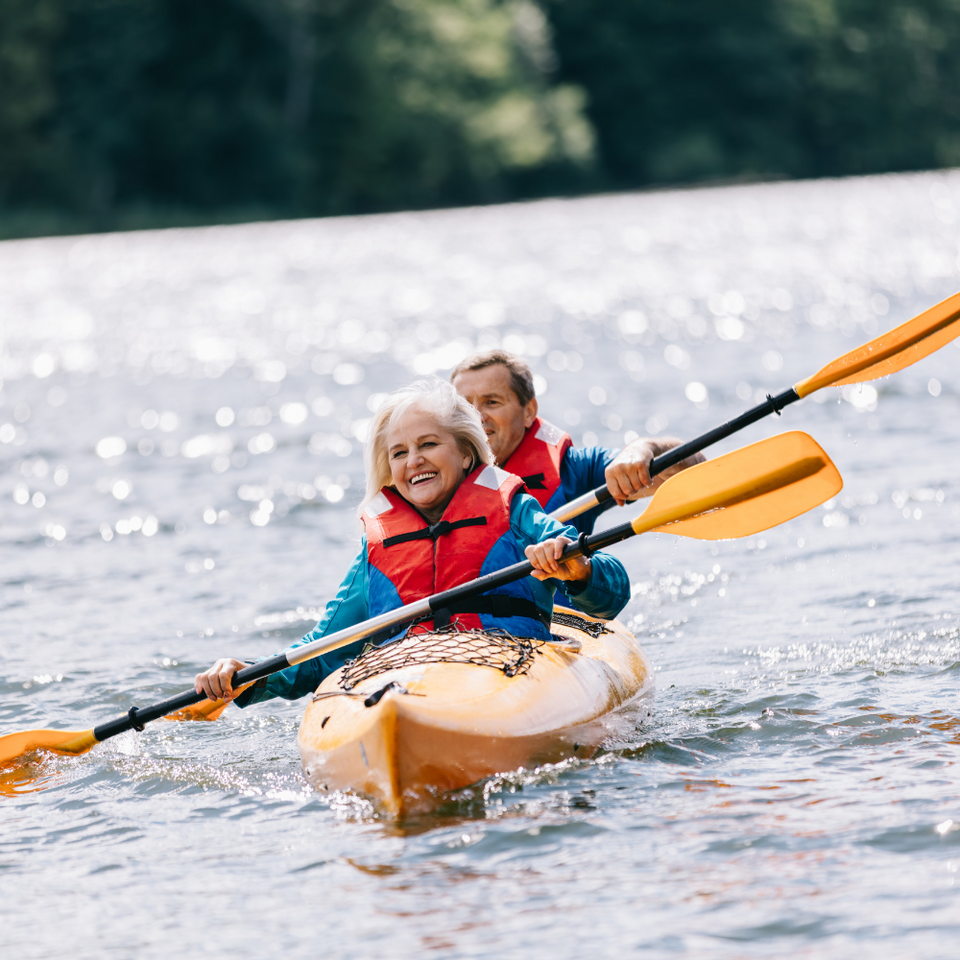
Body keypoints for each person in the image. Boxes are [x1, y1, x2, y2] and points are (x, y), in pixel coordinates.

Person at [195, 379, 631, 707]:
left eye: (428, 444)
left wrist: (577, 569)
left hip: (505, 671)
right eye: (399, 453)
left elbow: (613, 591)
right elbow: (320, 652)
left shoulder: (517, 514)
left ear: (464, 454)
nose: (413, 461)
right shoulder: (376, 551)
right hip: (402, 682)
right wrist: (247, 676)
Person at [451, 350, 705, 535]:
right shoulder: (428, 479)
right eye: (464, 407)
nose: (476, 417)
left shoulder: (578, 470)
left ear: (529, 411)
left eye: (492, 402)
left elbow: (694, 474)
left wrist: (645, 449)